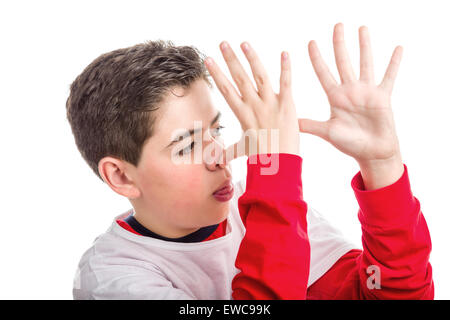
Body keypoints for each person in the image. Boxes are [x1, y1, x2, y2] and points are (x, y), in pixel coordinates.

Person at [67, 23, 433, 299]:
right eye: (187, 145)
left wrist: (382, 168)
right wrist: (276, 171)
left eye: (216, 130)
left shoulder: (261, 210)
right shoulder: (111, 278)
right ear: (120, 176)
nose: (219, 156)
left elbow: (388, 293)